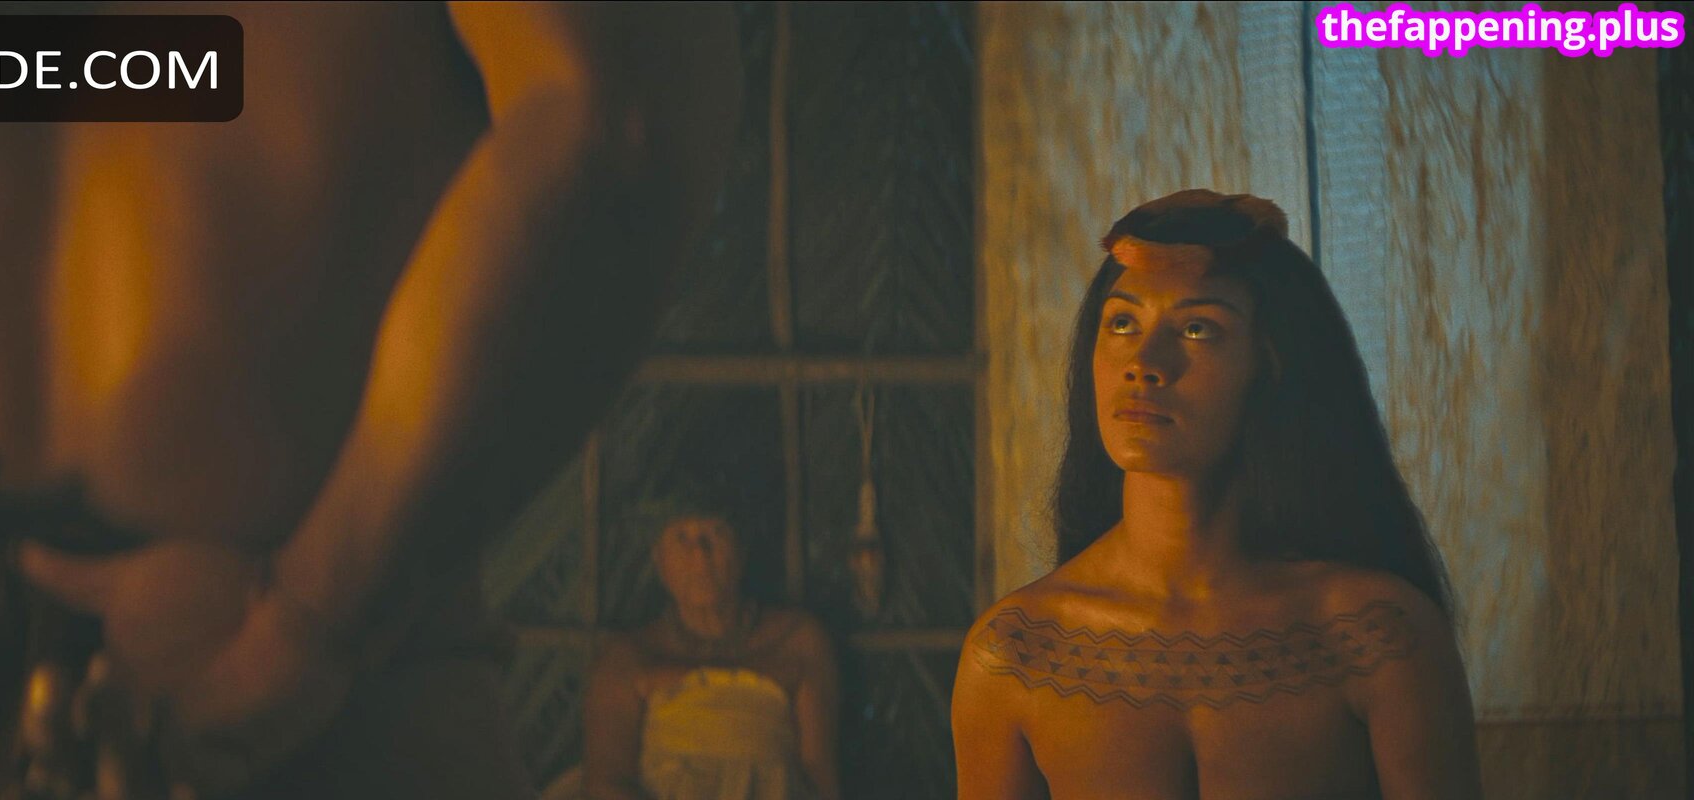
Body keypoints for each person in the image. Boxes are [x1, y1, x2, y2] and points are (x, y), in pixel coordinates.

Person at [0, 3, 740, 798]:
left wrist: (309, 624)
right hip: (318, 725)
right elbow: (617, 119)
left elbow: (615, 120)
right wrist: (310, 621)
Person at [951, 190, 1480, 799]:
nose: (1143, 362)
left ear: (1272, 365)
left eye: (1197, 328)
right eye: (1121, 323)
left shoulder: (1377, 636)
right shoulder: (1017, 653)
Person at [550, 508, 841, 800]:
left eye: (715, 533)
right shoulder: (628, 657)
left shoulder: (797, 639)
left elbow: (820, 779)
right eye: (681, 537)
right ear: (659, 559)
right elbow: (606, 784)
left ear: (741, 550)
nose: (700, 555)